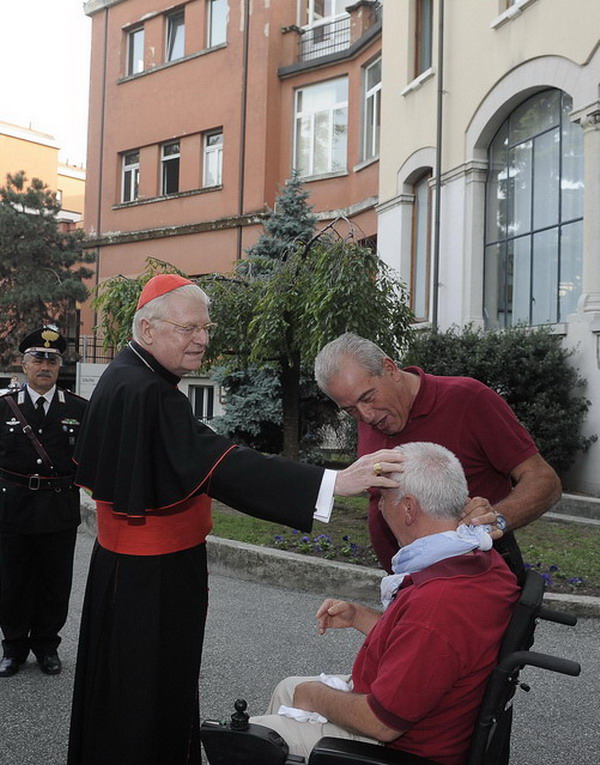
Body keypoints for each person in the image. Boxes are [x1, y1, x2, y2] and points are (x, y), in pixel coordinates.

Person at [67, 274, 404, 765]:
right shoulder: (147, 390)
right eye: (188, 328)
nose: (201, 339)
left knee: (126, 688)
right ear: (147, 329)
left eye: (206, 328)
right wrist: (332, 482)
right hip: (152, 579)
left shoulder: (130, 376)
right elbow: (224, 466)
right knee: (148, 695)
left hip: (130, 572)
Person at [250, 442, 520, 765]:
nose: (378, 506)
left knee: (256, 737)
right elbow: (428, 646)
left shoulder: (437, 603)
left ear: (408, 508)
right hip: (426, 710)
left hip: (398, 747)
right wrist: (358, 616)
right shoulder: (480, 560)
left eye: (382, 497)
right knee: (287, 688)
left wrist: (315, 696)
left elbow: (382, 723)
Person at [314, 332, 562, 575]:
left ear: (390, 368)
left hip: (475, 579)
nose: (366, 416)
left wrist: (496, 518)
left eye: (368, 397)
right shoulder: (370, 417)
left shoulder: (467, 399)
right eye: (350, 410)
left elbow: (545, 481)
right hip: (408, 585)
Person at [0, 325, 87, 677]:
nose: (45, 366)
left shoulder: (79, 408)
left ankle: (47, 646)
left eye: (52, 360)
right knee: (12, 581)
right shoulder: (4, 407)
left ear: (59, 366)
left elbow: (90, 459)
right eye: (38, 359)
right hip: (12, 509)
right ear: (24, 364)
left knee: (55, 582)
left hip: (58, 509)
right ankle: (13, 648)